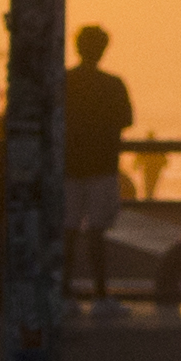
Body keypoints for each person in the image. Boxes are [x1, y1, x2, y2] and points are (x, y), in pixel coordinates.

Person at [62, 24, 135, 311]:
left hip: (69, 168)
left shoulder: (64, 82)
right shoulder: (113, 84)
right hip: (102, 167)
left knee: (67, 233)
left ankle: (64, 292)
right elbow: (126, 119)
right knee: (97, 234)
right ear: (103, 49)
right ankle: (101, 294)